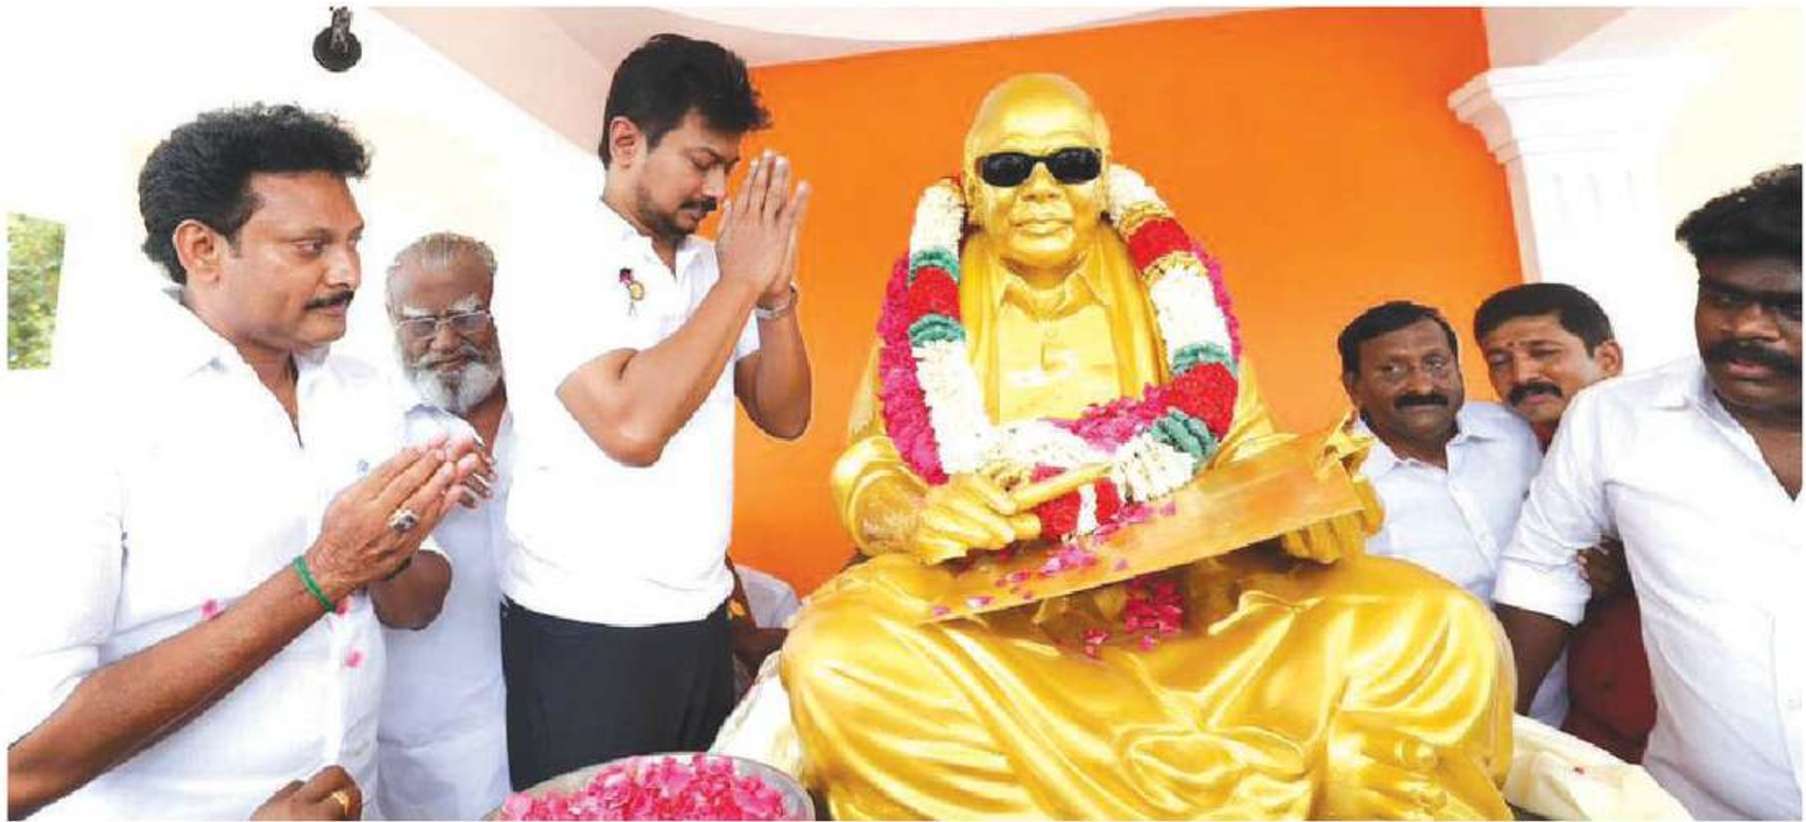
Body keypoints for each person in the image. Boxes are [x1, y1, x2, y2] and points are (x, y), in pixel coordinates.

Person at [780, 73, 1514, 819]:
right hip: (997, 612)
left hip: (1198, 602)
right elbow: (871, 463)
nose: (1040, 190)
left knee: (1438, 624)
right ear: (971, 186)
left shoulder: (1174, 285)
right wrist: (919, 515)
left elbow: (1245, 450)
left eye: (1070, 164)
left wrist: (1311, 504)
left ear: (1105, 176)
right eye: (1008, 168)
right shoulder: (927, 299)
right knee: (839, 657)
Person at [5, 104, 480, 819]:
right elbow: (23, 764)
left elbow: (416, 606)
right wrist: (324, 572)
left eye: (353, 241)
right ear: (202, 250)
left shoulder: (360, 392)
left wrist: (396, 542)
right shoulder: (83, 416)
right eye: (311, 246)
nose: (349, 271)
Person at [492, 33, 812, 789]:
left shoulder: (707, 267)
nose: (717, 189)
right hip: (584, 629)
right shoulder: (554, 253)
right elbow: (631, 427)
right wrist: (742, 283)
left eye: (727, 167)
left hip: (698, 618)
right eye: (701, 162)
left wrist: (775, 299)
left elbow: (785, 413)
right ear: (626, 142)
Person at [1493, 164, 1802, 819]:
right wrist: (1485, 747)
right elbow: (1542, 574)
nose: (1747, 327)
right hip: (1694, 806)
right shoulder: (1614, 419)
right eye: (1723, 298)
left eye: (1791, 307)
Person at [1337, 300, 1567, 727]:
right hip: (1435, 724)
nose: (1422, 384)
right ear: (1354, 386)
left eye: (1436, 363)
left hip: (1562, 707)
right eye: (1392, 370)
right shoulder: (1332, 484)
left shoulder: (1514, 432)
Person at [1474, 282, 1653, 762]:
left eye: (1543, 353)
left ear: (1608, 359)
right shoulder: (1501, 453)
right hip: (1579, 724)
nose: (1521, 375)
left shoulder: (1670, 437)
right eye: (1499, 361)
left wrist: (1645, 560)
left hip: (1686, 720)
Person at [376, 232, 513, 818]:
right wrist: (414, 497)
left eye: (467, 316)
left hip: (563, 713)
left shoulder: (560, 408)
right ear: (392, 323)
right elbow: (403, 603)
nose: (446, 341)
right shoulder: (374, 428)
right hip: (435, 744)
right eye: (421, 324)